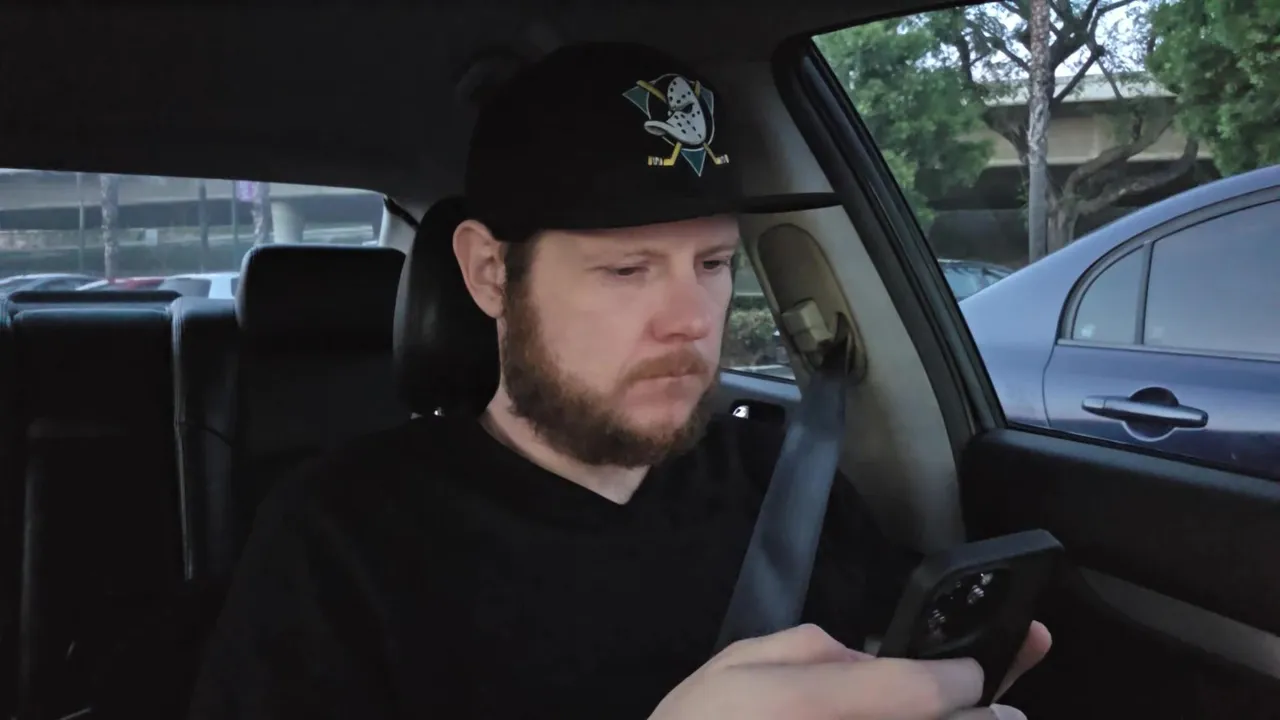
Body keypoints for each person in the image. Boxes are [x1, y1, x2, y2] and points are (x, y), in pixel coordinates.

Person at [187, 41, 1048, 719]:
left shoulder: (787, 481)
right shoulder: (342, 539)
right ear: (490, 274)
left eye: (712, 264)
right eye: (627, 270)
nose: (691, 319)